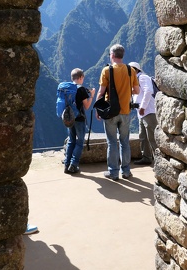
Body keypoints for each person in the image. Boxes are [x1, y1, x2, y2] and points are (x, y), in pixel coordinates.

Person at [95, 44, 140, 181]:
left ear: (112, 55)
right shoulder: (130, 70)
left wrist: (98, 108)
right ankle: (126, 171)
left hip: (110, 112)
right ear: (122, 55)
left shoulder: (106, 70)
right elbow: (137, 91)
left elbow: (101, 92)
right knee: (125, 142)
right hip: (126, 111)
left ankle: (113, 172)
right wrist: (126, 91)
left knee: (112, 143)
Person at [64, 68, 95, 174]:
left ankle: (66, 164)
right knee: (80, 142)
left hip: (69, 118)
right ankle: (73, 165)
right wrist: (91, 96)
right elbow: (86, 106)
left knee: (71, 140)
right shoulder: (81, 89)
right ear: (81, 77)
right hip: (79, 119)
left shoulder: (67, 88)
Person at [128, 62, 157, 165]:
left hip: (148, 111)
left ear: (135, 70)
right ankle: (146, 157)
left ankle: (158, 160)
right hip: (142, 112)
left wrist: (143, 107)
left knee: (152, 136)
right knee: (143, 136)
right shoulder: (135, 80)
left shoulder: (142, 77)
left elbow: (148, 91)